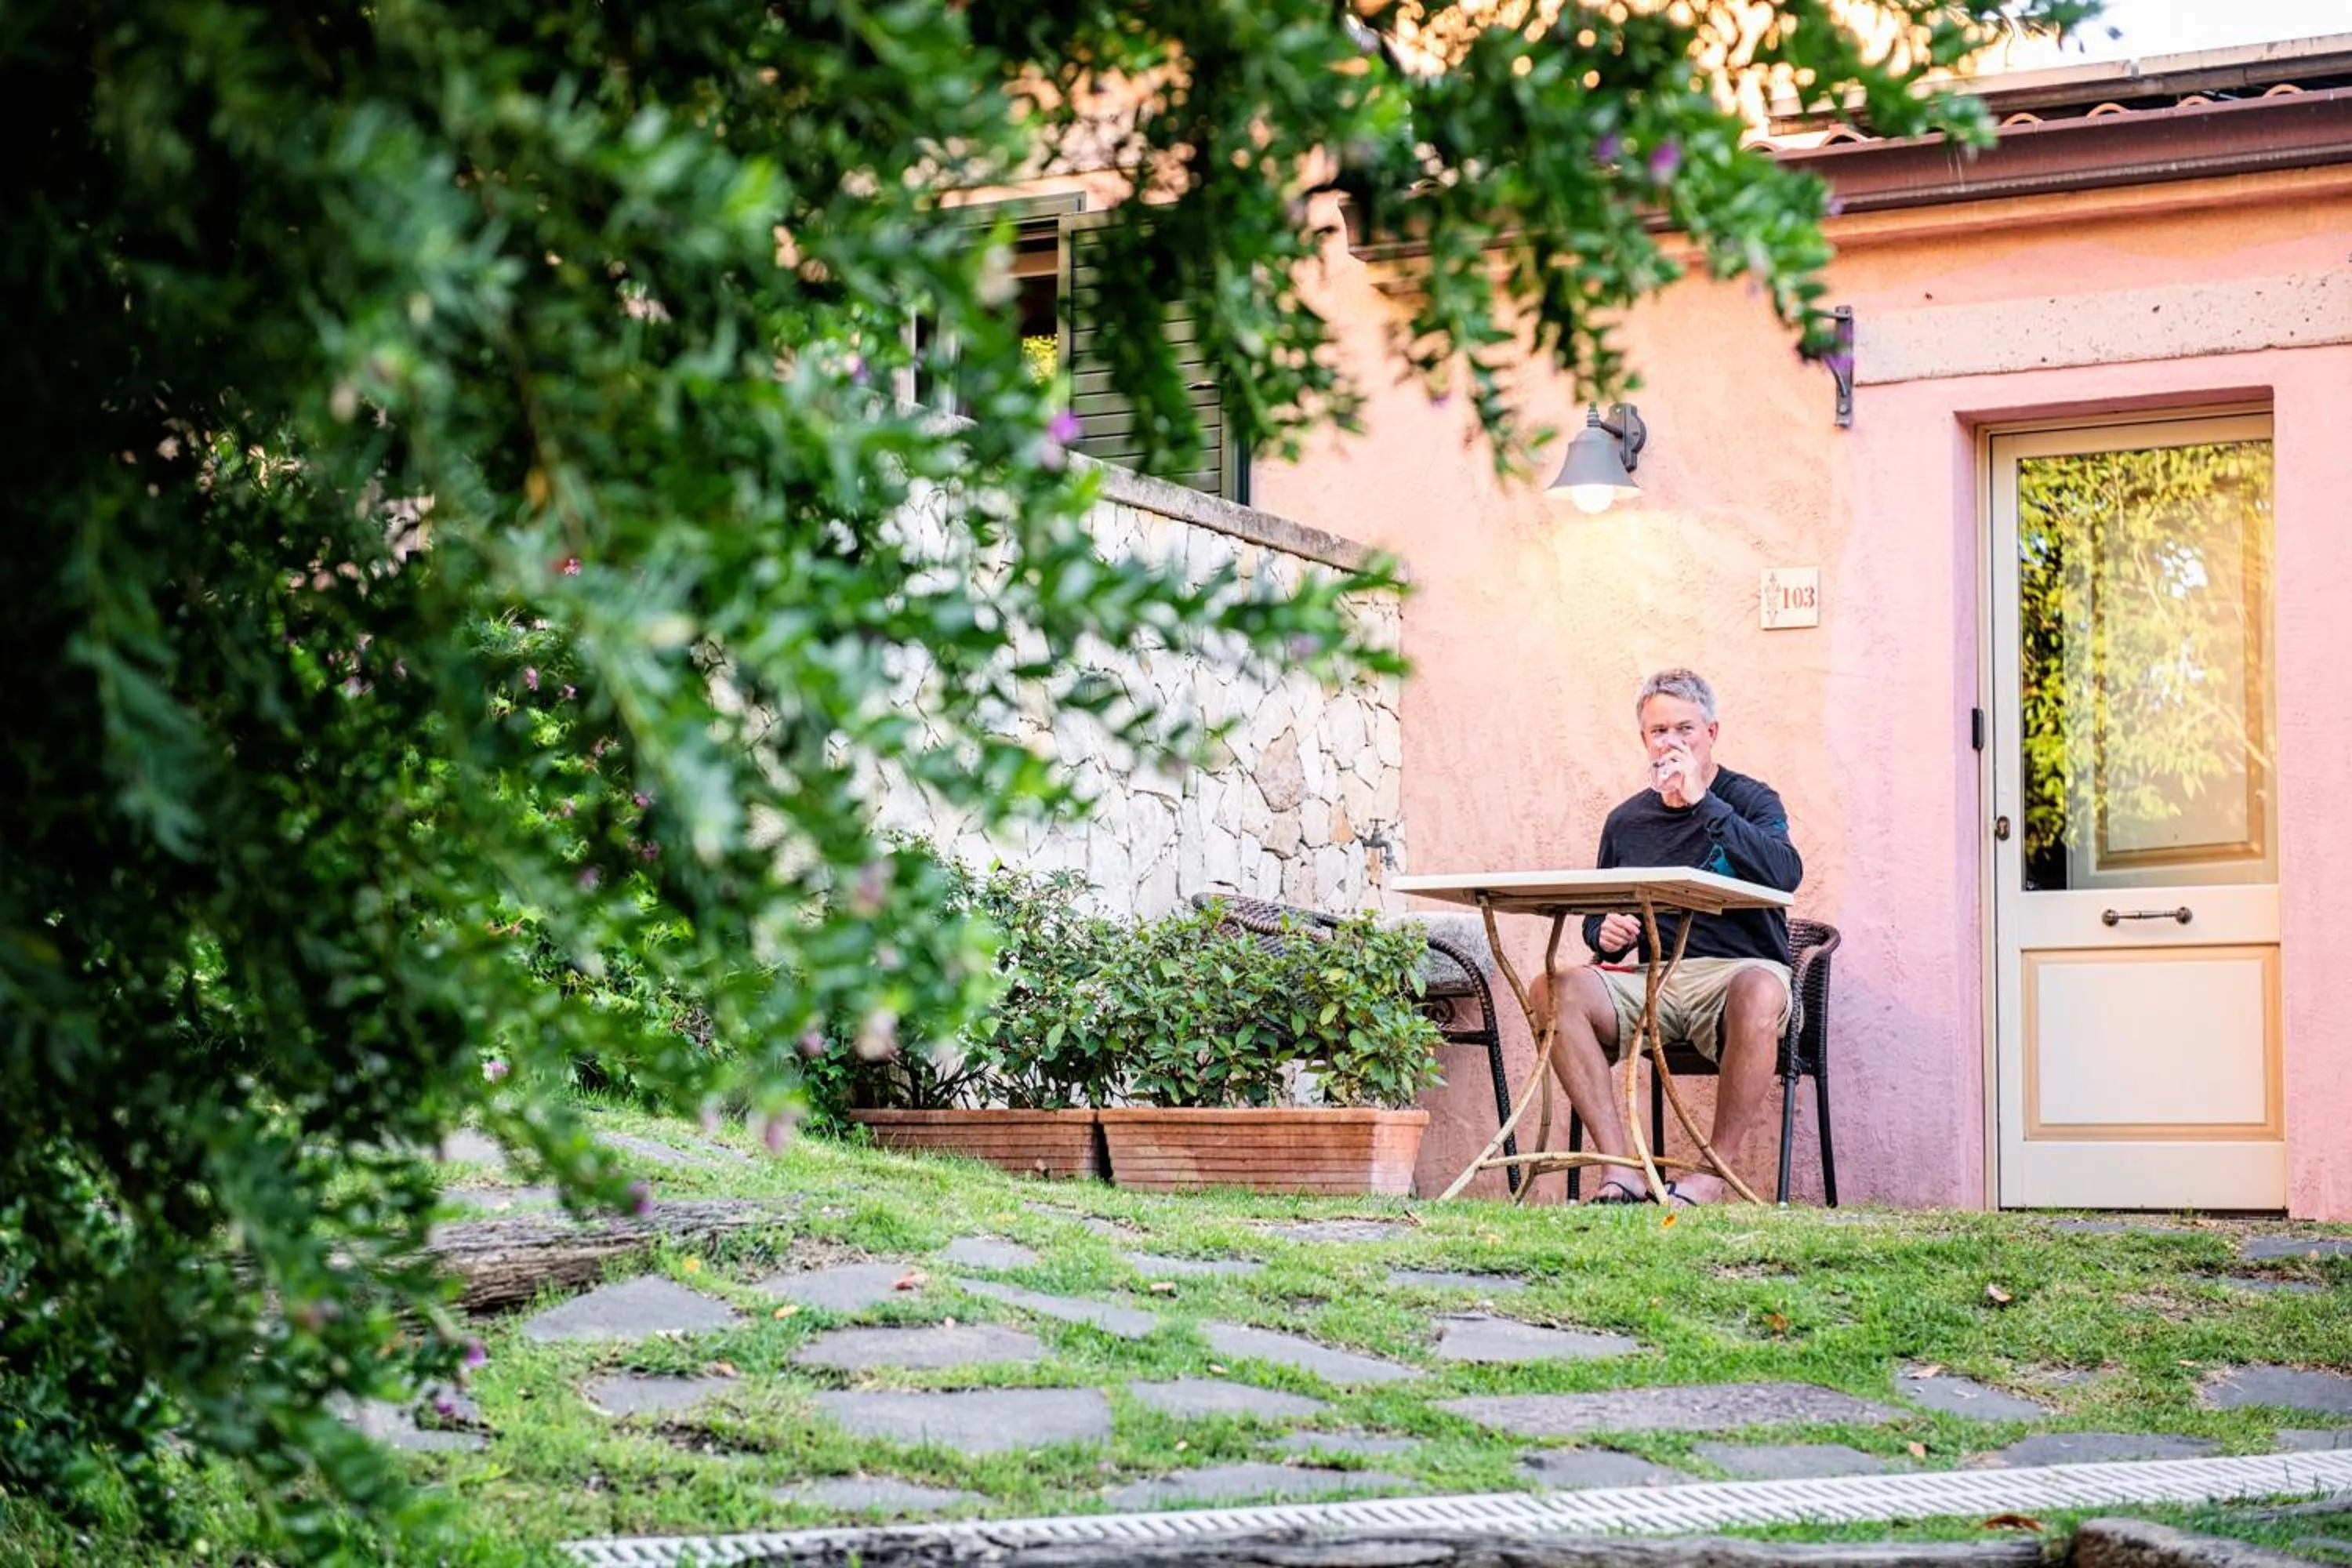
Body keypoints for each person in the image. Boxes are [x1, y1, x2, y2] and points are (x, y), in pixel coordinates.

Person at [1529, 668, 1802, 1205]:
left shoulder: (1749, 801)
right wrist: (1603, 932)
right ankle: (1620, 1167)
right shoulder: (1626, 821)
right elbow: (1597, 919)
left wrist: (1705, 803)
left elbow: (1785, 873)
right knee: (1551, 989)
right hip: (1654, 977)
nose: (1671, 743)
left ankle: (1711, 1173)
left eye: (1685, 730)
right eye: (1660, 732)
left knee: (1762, 990)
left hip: (1737, 974)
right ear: (1644, 740)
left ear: (1712, 733)